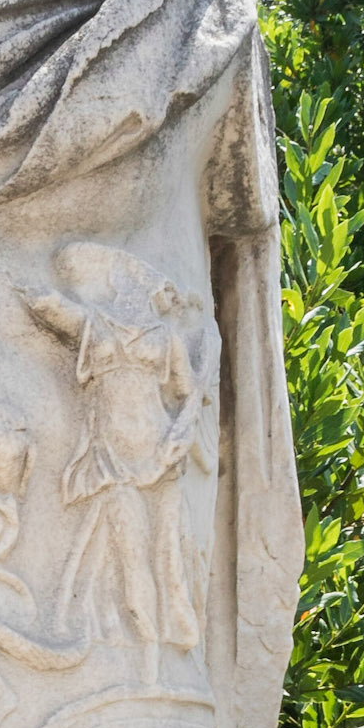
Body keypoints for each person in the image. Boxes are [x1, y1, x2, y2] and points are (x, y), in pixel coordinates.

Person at [23, 243, 217, 675]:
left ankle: (168, 656)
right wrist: (38, 296)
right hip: (111, 456)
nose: (129, 291)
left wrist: (180, 435)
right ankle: (142, 657)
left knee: (167, 553)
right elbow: (60, 312)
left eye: (139, 286)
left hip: (158, 454)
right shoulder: (97, 323)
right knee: (130, 556)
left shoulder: (165, 337)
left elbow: (188, 394)